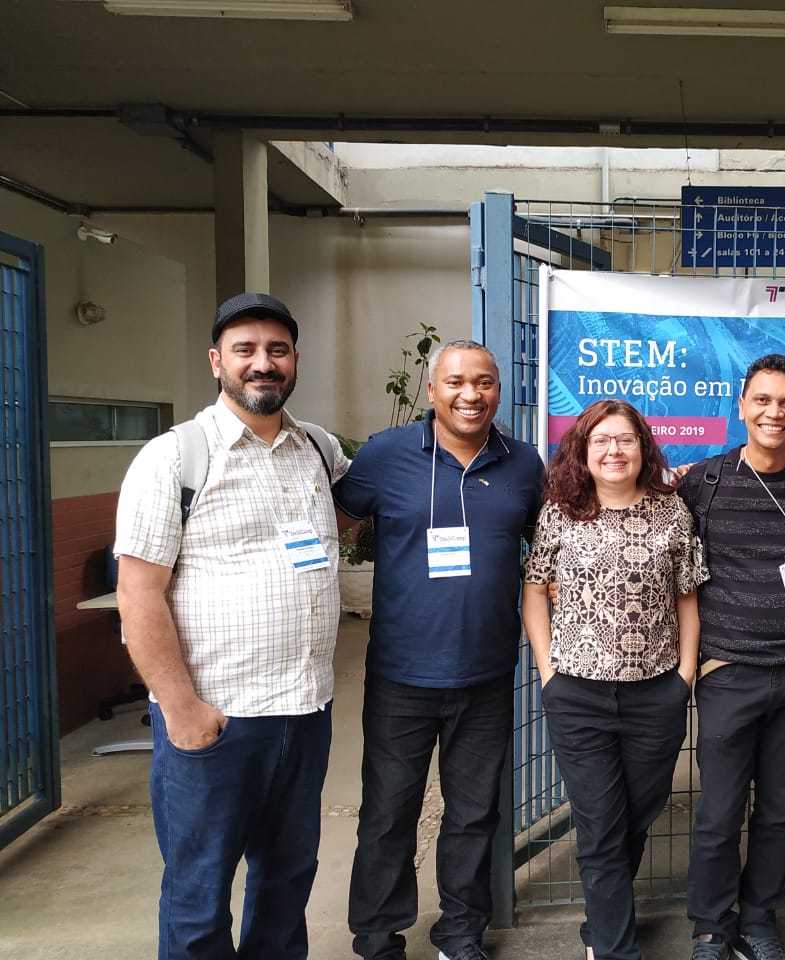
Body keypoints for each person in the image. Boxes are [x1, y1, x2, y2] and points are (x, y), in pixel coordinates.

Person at [114, 291, 350, 960]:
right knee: (198, 895)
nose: (262, 364)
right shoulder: (174, 459)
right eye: (245, 350)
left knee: (285, 883)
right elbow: (138, 593)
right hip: (216, 721)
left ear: (295, 360)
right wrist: (183, 710)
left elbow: (349, 521)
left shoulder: (318, 450)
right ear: (217, 362)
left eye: (277, 350)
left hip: (304, 711)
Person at [337, 339, 543, 960]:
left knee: (474, 814)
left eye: (483, 383)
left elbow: (560, 545)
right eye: (456, 382)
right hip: (402, 674)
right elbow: (336, 522)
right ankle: (377, 937)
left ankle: (460, 933)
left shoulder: (524, 464)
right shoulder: (384, 455)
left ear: (497, 392)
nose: (470, 394)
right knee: (389, 814)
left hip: (486, 673)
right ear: (432, 391)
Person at [522, 399, 708, 960]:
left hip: (657, 691)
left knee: (635, 816)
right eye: (600, 440)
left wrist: (685, 673)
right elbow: (534, 589)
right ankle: (614, 948)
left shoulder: (672, 512)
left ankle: (602, 922)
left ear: (643, 447)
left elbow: (687, 597)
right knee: (601, 826)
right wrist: (547, 669)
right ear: (582, 449)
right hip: (578, 692)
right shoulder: (560, 511)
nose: (614, 450)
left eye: (625, 439)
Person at [679, 354, 785, 960]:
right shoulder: (702, 482)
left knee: (778, 810)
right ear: (740, 406)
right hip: (727, 672)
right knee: (717, 813)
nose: (774, 413)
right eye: (762, 401)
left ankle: (759, 918)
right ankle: (712, 925)